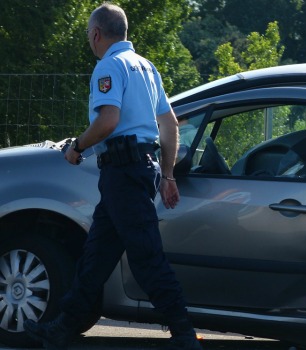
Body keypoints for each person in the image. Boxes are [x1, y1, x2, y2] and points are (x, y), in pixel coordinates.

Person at [24, 3, 202, 349]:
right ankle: (62, 329)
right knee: (97, 255)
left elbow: (108, 121)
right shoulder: (146, 67)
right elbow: (168, 125)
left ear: (96, 34)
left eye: (89, 35)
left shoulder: (109, 66)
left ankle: (183, 334)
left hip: (123, 172)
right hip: (139, 170)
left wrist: (77, 146)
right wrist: (167, 175)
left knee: (146, 256)